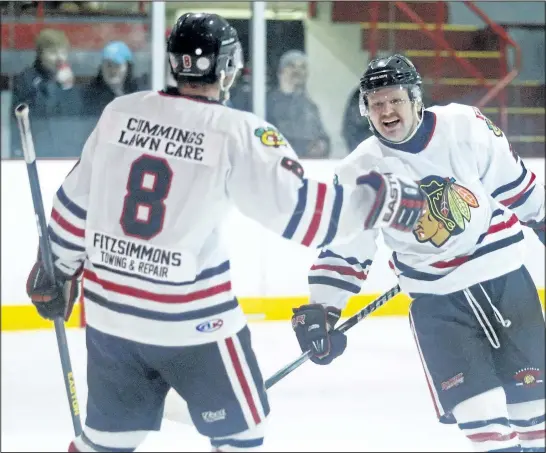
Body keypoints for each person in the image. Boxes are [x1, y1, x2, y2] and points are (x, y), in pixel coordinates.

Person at [25, 16, 426, 453]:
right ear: (230, 66)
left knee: (108, 438)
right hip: (193, 324)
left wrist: (56, 269)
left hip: (110, 317)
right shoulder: (237, 132)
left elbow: (72, 205)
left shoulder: (120, 112)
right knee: (243, 432)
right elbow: (305, 216)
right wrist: (382, 198)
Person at [291, 54, 545, 452]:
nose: (386, 110)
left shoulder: (465, 127)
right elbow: (345, 251)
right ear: (365, 110)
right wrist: (321, 310)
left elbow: (518, 187)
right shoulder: (359, 171)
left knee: (536, 420)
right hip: (440, 310)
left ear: (415, 99)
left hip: (506, 285)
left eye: (394, 99)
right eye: (376, 103)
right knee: (486, 423)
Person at [266, 50, 331, 158]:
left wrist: (322, 145)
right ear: (281, 71)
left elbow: (322, 135)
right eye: (292, 66)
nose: (298, 71)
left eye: (302, 67)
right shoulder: (269, 103)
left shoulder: (309, 105)